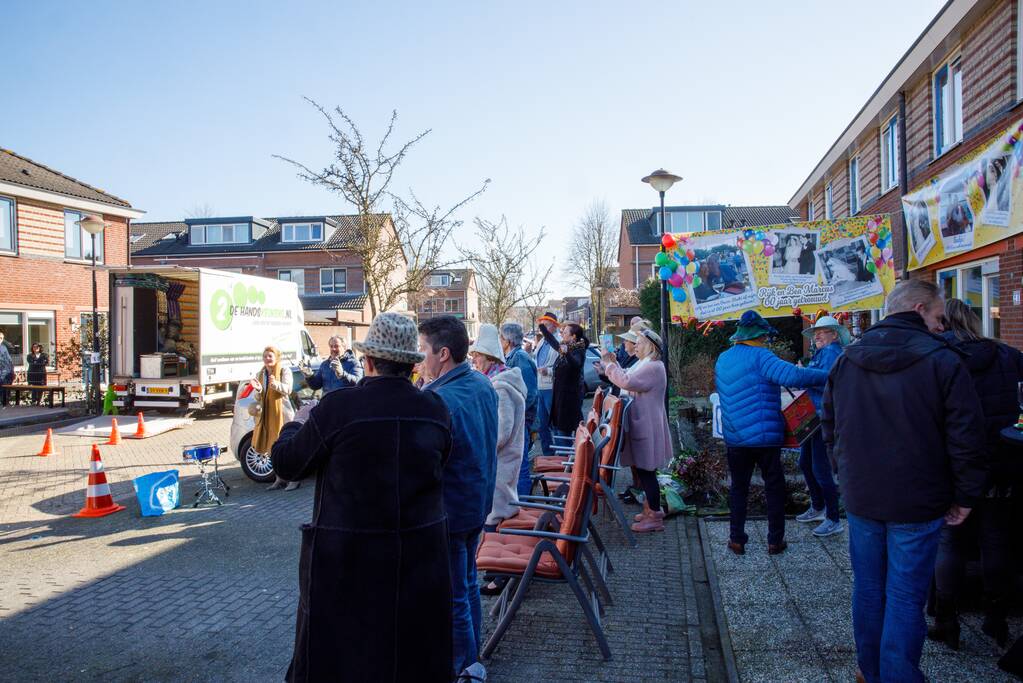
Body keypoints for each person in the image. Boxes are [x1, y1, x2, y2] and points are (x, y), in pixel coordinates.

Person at [270, 312, 454, 682]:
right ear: (410, 366)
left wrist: (298, 422)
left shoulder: (339, 408)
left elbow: (286, 463)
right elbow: (443, 461)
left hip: (347, 569)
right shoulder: (435, 409)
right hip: (418, 566)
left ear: (369, 361)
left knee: (341, 663)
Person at [822, 280, 987, 683]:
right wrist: (965, 495)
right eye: (937, 316)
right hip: (918, 498)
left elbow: (830, 425)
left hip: (864, 495)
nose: (941, 325)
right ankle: (896, 675)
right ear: (918, 309)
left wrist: (845, 473)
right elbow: (965, 436)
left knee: (869, 589)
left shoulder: (847, 359)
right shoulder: (943, 360)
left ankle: (872, 670)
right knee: (903, 595)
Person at [928, 299, 1023, 650]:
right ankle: (996, 618)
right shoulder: (1007, 355)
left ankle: (946, 620)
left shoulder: (939, 359)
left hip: (955, 464)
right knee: (995, 539)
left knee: (951, 541)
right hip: (1002, 462)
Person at [418, 315, 498, 680]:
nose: (419, 360)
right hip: (476, 504)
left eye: (422, 352)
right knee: (467, 586)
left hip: (450, 510)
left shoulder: (438, 400)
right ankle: (473, 656)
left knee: (455, 594)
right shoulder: (483, 385)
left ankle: (464, 666)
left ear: (443, 354)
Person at [715, 310, 828, 555]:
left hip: (735, 438)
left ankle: (736, 539)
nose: (766, 340)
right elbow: (794, 375)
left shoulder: (723, 358)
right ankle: (775, 541)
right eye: (765, 336)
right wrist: (828, 375)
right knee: (774, 488)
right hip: (765, 438)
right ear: (758, 335)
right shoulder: (761, 357)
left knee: (738, 488)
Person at [600, 328, 672, 533]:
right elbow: (627, 378)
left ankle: (655, 516)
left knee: (647, 471)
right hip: (645, 423)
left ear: (649, 346)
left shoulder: (653, 367)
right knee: (645, 471)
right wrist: (613, 364)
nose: (636, 345)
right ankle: (651, 510)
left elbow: (627, 382)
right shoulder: (647, 364)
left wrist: (610, 365)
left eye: (639, 342)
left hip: (647, 425)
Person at [794, 316, 848, 537]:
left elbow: (824, 379)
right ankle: (818, 507)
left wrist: (801, 374)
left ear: (834, 334)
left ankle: (833, 518)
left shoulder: (831, 353)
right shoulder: (824, 353)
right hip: (813, 416)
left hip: (821, 417)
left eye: (822, 331)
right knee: (806, 463)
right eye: (816, 332)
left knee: (819, 468)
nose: (816, 335)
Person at [471, 324, 526, 532]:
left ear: (490, 357)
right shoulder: (495, 381)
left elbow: (499, 435)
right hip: (497, 475)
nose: (474, 360)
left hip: (498, 481)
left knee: (489, 529)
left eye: (477, 355)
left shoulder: (501, 388)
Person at [250, 346, 297, 492]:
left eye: (270, 356)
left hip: (282, 415)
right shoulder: (260, 374)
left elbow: (288, 389)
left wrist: (275, 384)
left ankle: (294, 479)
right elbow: (258, 397)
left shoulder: (284, 371)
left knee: (286, 448)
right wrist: (258, 390)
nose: (267, 359)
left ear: (277, 358)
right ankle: (279, 479)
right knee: (272, 449)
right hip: (267, 416)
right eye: (265, 356)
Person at [499, 322, 538, 497]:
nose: (499, 341)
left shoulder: (520, 357)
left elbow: (529, 392)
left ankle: (522, 503)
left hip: (522, 418)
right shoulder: (514, 356)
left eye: (501, 338)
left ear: (508, 340)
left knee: (520, 463)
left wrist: (518, 414)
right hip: (521, 417)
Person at [538, 320, 587, 442]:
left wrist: (567, 354)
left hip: (569, 402)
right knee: (560, 432)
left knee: (563, 435)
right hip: (560, 399)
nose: (562, 334)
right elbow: (553, 342)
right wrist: (542, 327)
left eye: (565, 332)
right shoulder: (565, 348)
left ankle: (566, 459)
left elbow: (576, 364)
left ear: (573, 336)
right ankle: (565, 457)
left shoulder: (578, 351)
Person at [533, 312, 561, 457]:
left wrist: (548, 371)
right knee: (542, 425)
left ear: (554, 326)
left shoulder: (559, 342)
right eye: (542, 324)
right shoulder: (542, 342)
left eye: (546, 324)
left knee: (555, 425)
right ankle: (548, 455)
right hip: (540, 387)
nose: (543, 326)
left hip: (551, 388)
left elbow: (562, 366)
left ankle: (561, 455)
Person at [598, 330, 640, 397]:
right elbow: (620, 375)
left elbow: (624, 381)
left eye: (626, 340)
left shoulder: (638, 361)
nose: (624, 342)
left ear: (634, 344)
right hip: (619, 397)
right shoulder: (628, 357)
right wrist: (604, 372)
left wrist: (608, 363)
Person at [0, 332, 14, 407]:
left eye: (1, 338)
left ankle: (5, 403)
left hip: (5, 371)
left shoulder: (4, 347)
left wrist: (12, 371)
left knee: (5, 388)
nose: (0, 340)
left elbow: (9, 360)